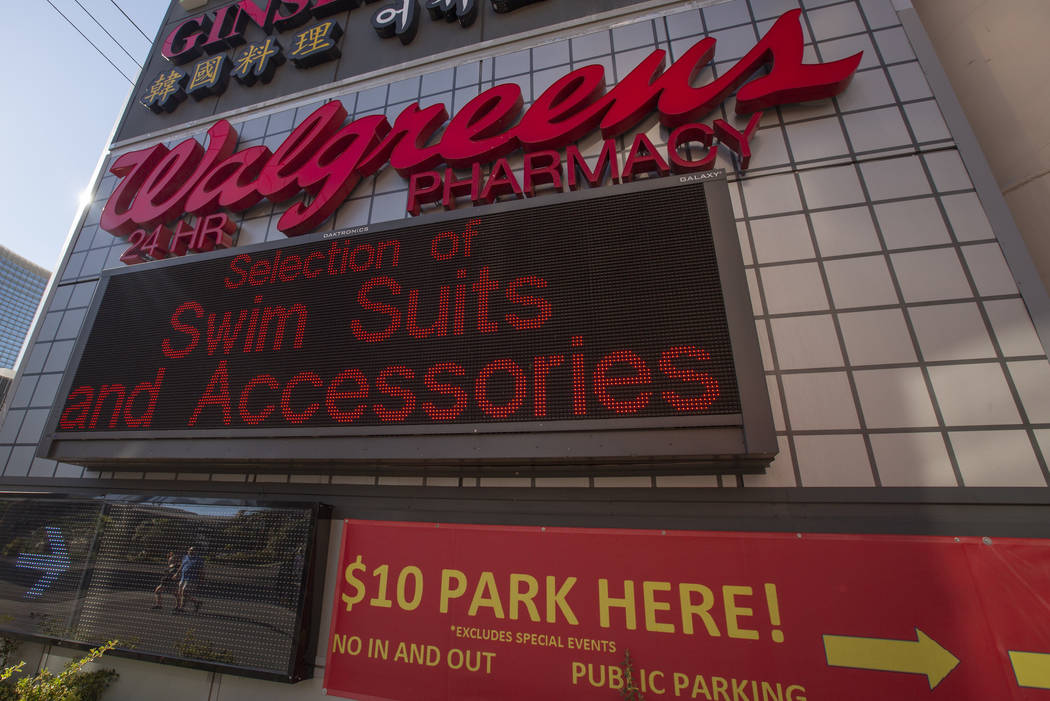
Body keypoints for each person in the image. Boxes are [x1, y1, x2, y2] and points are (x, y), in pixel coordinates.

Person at [174, 546, 203, 614]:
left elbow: (201, 570)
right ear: (188, 550)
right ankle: (196, 602)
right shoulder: (185, 557)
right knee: (180, 593)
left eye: (193, 550)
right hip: (183, 577)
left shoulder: (198, 559)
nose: (192, 551)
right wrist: (177, 573)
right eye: (190, 550)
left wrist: (202, 579)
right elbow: (182, 565)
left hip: (191, 578)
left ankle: (181, 607)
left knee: (184, 591)